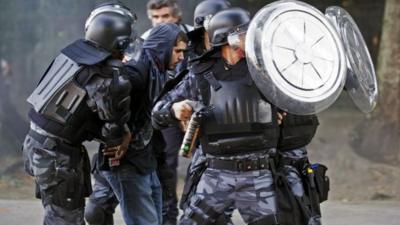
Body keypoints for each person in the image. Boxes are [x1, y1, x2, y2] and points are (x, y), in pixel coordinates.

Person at [152, 7, 329, 225]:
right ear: (225, 38)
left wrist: (284, 117)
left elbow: (304, 109)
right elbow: (157, 113)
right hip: (215, 174)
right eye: (243, 34)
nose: (249, 40)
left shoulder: (269, 71)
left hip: (258, 174)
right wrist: (174, 110)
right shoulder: (199, 74)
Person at [22, 3, 135, 225]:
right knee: (65, 220)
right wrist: (124, 135)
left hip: (36, 144)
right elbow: (113, 130)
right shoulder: (107, 75)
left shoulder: (75, 54)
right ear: (119, 40)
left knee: (58, 215)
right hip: (56, 155)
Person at [98, 23, 188, 225]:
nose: (181, 57)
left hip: (144, 159)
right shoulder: (136, 71)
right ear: (163, 47)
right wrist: (124, 131)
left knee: (155, 220)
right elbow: (105, 101)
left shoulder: (159, 69)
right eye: (177, 51)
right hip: (125, 161)